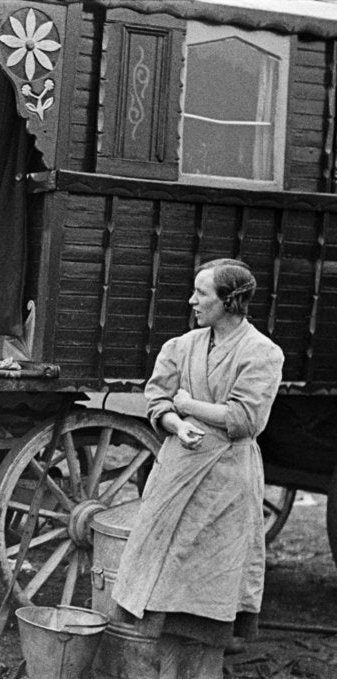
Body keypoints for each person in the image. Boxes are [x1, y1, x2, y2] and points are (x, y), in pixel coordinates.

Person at [112, 259, 284, 678]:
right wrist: (175, 422)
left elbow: (245, 420)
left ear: (229, 301)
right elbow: (158, 399)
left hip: (224, 484)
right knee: (165, 593)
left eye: (201, 293)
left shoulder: (261, 353)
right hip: (176, 476)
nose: (192, 300)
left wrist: (188, 404)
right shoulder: (182, 346)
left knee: (208, 597)